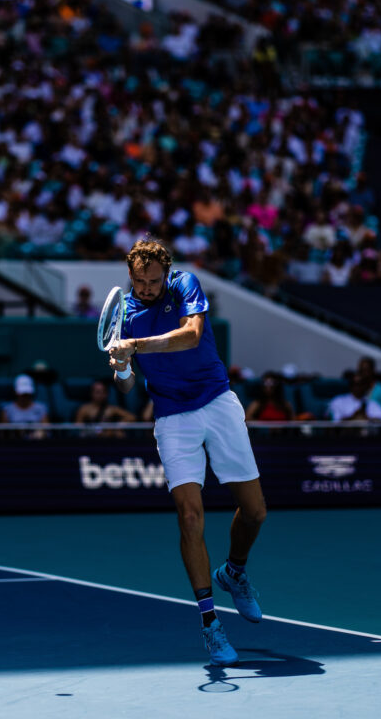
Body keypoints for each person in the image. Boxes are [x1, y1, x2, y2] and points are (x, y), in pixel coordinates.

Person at [107, 238, 266, 667]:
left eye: (152, 280)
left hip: (216, 401)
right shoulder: (124, 312)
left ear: (166, 272)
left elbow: (192, 336)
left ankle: (234, 571)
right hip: (173, 417)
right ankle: (211, 624)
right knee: (190, 514)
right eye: (138, 281)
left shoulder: (186, 285)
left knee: (254, 512)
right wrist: (121, 367)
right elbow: (125, 387)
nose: (145, 288)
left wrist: (136, 347)